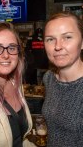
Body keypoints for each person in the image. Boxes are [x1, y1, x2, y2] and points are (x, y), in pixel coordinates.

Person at [42, 11, 83, 147]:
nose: (58, 46)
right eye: (50, 39)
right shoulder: (49, 78)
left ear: (82, 43)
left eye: (67, 37)